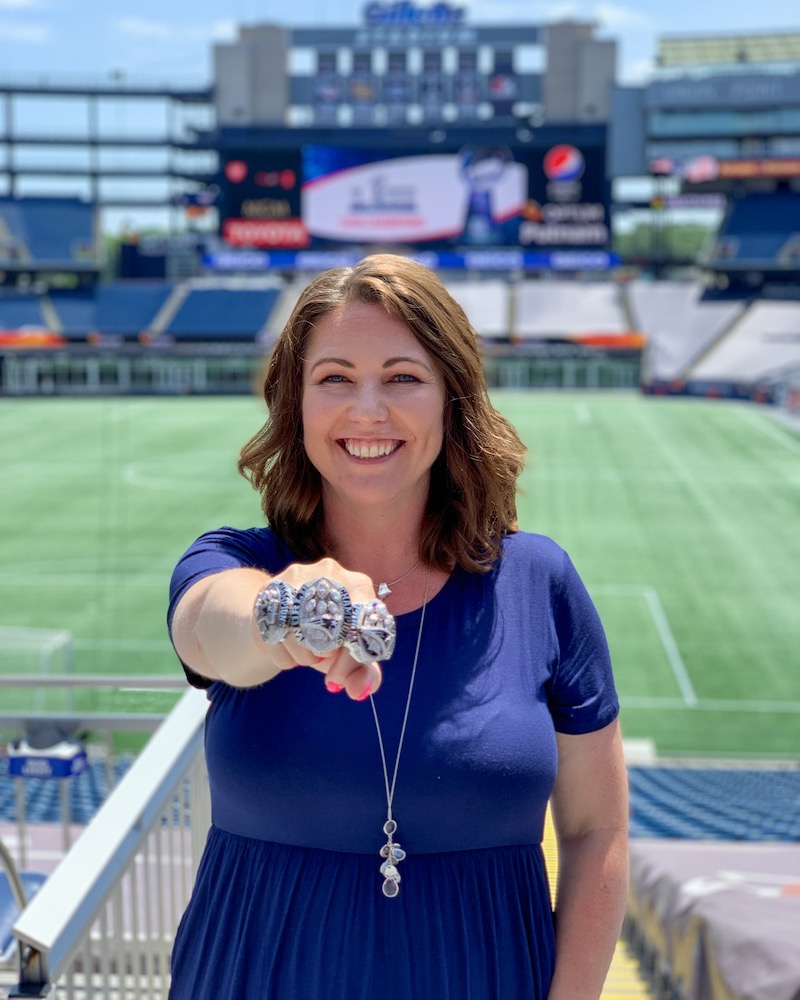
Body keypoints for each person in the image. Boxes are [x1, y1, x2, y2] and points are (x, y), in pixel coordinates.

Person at [167, 253, 629, 1000]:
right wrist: (289, 613)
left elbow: (595, 830)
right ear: (297, 405)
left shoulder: (539, 583)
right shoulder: (235, 562)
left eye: (403, 377)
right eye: (335, 378)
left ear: (453, 398)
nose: (368, 410)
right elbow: (205, 630)